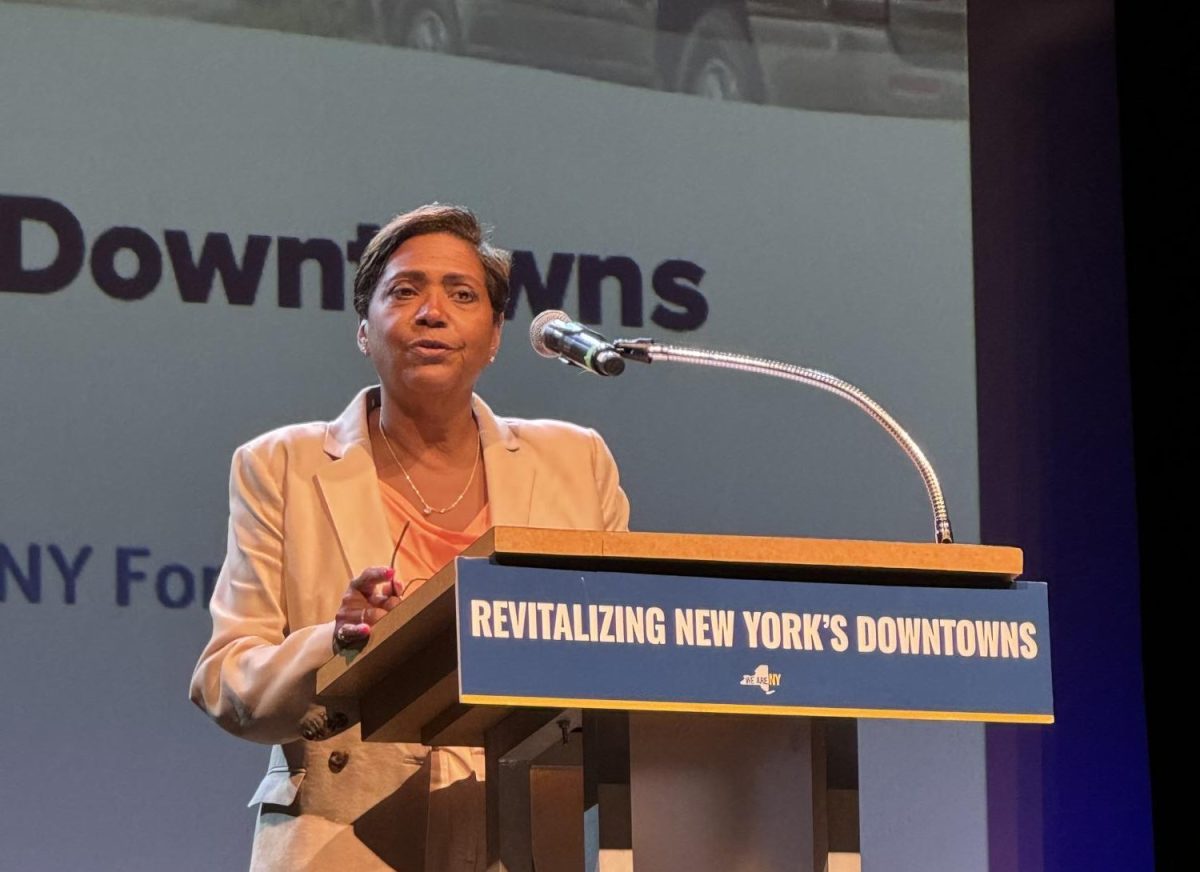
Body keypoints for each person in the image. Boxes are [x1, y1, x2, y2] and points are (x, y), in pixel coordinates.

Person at [190, 204, 630, 871]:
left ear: (494, 336)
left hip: (521, 831)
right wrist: (334, 645)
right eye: (404, 291)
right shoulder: (280, 465)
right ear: (364, 331)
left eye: (462, 294)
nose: (432, 312)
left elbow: (624, 648)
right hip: (340, 837)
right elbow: (226, 681)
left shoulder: (576, 461)